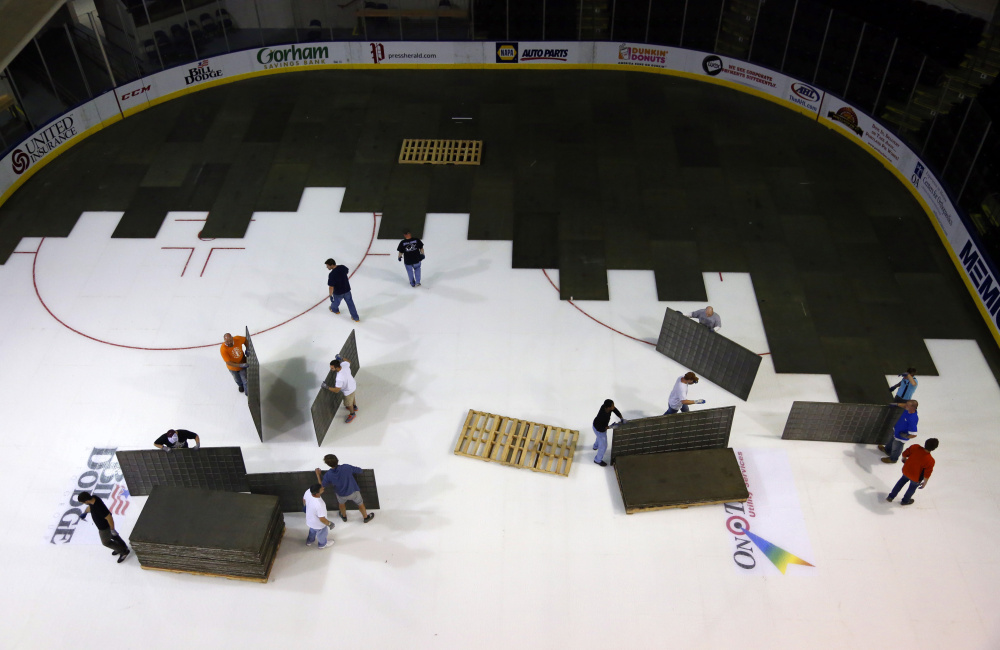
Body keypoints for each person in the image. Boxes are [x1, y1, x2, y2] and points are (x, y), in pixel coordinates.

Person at [314, 454, 375, 523]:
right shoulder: (346, 467)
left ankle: (344, 516)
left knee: (341, 504)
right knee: (360, 503)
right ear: (337, 460)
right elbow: (360, 470)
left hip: (341, 495)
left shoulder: (328, 475)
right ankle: (365, 517)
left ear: (328, 464)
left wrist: (318, 475)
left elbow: (321, 487)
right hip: (353, 492)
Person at [78, 492, 130, 563]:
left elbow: (109, 518)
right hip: (104, 525)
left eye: (83, 502)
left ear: (86, 501)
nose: (84, 504)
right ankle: (122, 546)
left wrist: (112, 529)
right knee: (113, 536)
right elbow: (90, 507)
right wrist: (85, 512)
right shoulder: (94, 498)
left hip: (104, 527)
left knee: (106, 542)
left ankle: (123, 551)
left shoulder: (99, 507)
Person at [886, 438, 938, 506]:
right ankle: (905, 501)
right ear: (934, 448)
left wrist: (904, 459)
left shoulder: (915, 447)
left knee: (900, 483)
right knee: (912, 488)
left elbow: (905, 453)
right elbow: (927, 473)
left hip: (906, 471)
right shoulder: (930, 461)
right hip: (916, 477)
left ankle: (891, 496)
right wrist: (925, 482)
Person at [321, 356, 359, 423]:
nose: (331, 369)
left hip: (348, 390)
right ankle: (355, 407)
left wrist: (326, 387)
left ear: (337, 367)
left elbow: (336, 390)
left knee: (348, 403)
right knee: (352, 397)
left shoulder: (339, 378)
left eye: (332, 368)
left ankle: (352, 414)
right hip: (353, 385)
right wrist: (341, 358)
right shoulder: (344, 365)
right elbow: (349, 361)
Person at [325, 258, 360, 322]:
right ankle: (356, 317)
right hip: (347, 290)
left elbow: (331, 287)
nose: (327, 267)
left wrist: (330, 295)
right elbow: (347, 271)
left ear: (332, 265)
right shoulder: (342, 267)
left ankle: (334, 310)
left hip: (338, 292)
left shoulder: (332, 274)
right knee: (351, 304)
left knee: (335, 302)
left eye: (328, 266)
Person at [592, 399, 624, 467]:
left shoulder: (606, 407)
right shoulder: (603, 416)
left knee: (598, 437)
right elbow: (601, 428)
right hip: (599, 429)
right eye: (612, 406)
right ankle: (597, 460)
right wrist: (611, 427)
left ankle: (595, 446)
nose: (614, 407)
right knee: (603, 446)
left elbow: (615, 410)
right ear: (608, 407)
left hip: (596, 425)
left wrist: (621, 418)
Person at [303, 484, 335, 549]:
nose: (323, 488)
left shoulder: (308, 491)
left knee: (312, 531)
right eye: (321, 489)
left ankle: (309, 541)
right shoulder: (320, 504)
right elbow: (322, 519)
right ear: (317, 493)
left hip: (310, 520)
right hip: (319, 524)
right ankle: (322, 544)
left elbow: (304, 500)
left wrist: (308, 509)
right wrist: (330, 524)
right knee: (322, 534)